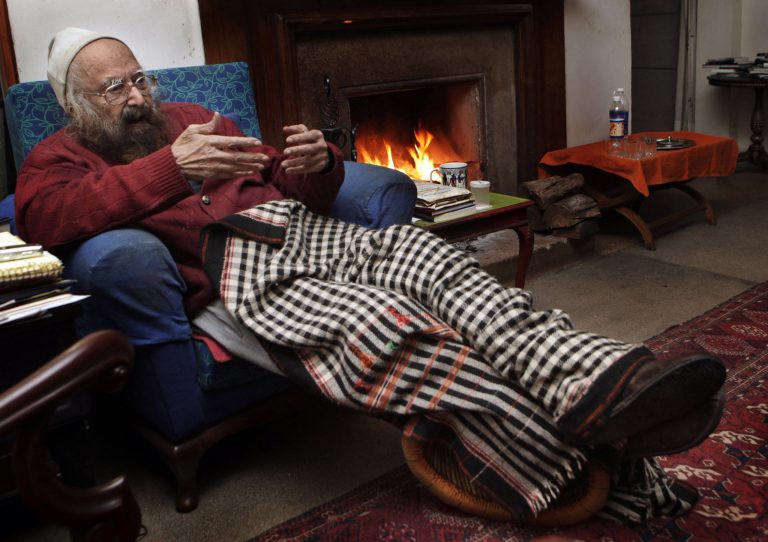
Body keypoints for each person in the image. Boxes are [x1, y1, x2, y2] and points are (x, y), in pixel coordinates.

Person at [15, 28, 726, 524]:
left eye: (140, 77)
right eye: (114, 88)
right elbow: (48, 221)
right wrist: (174, 168)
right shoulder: (58, 160)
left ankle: (601, 375)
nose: (138, 96)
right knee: (387, 324)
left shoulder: (195, 115)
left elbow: (294, 186)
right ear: (74, 103)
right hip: (237, 269)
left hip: (306, 231)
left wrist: (315, 165)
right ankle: (587, 450)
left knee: (431, 256)